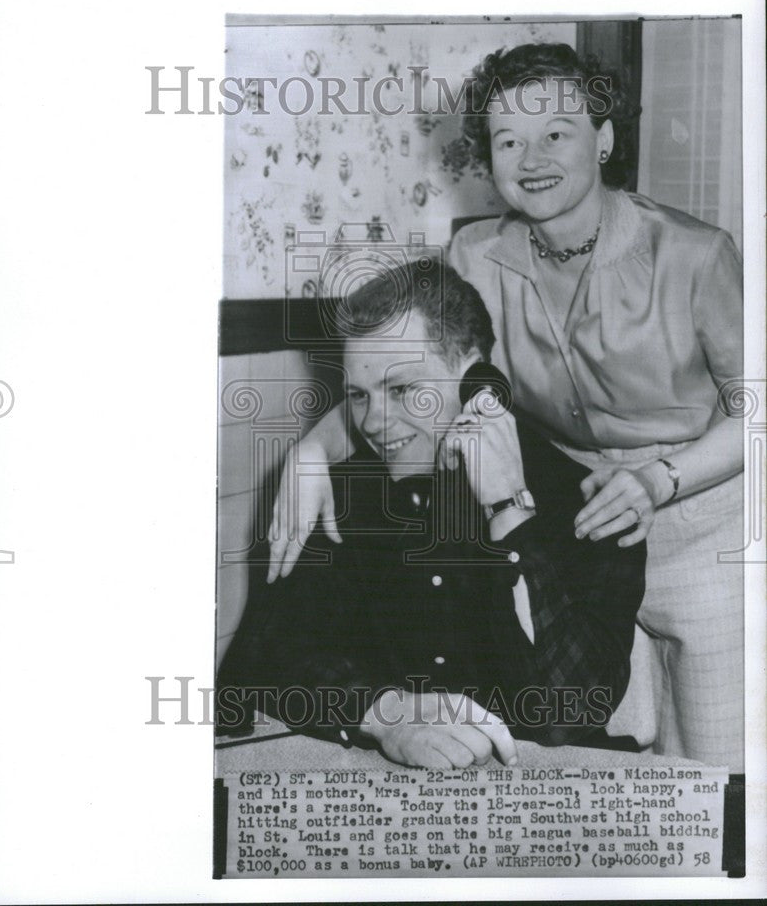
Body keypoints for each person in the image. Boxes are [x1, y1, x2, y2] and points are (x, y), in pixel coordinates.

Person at [266, 42, 744, 770]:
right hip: (569, 524)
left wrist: (656, 481)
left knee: (715, 766)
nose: (532, 157)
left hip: (698, 511)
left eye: (557, 132)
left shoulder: (696, 254)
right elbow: (431, 379)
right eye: (508, 140)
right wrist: (310, 454)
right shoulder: (476, 253)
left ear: (605, 138)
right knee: (603, 746)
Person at [217, 262, 646, 768]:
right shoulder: (329, 493)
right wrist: (384, 712)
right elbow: (257, 668)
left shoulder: (590, 503)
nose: (374, 423)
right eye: (358, 394)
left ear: (473, 377)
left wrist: (509, 512)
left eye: (401, 390)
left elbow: (566, 714)